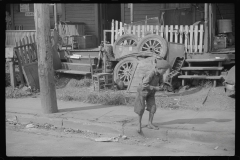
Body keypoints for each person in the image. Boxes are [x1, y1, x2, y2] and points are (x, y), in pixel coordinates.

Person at [134, 59, 171, 133]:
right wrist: (155, 88)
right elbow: (144, 84)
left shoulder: (159, 74)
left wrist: (162, 86)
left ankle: (150, 123)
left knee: (153, 107)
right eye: (164, 71)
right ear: (158, 69)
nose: (164, 72)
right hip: (143, 91)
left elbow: (161, 83)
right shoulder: (151, 73)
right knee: (140, 108)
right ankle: (139, 124)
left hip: (151, 92)